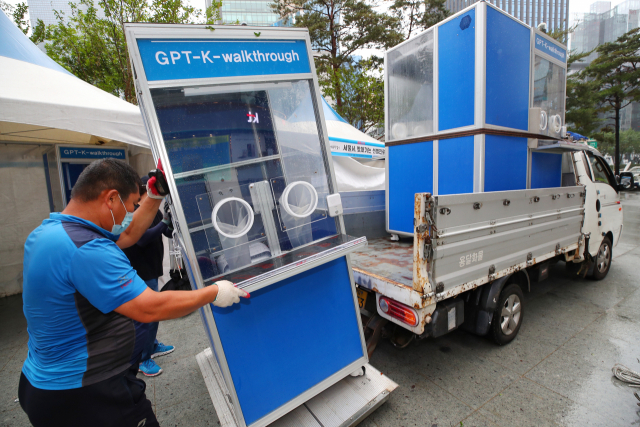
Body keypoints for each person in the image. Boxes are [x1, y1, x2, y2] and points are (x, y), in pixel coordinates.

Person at [19, 159, 248, 427]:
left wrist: (154, 196)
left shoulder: (50, 232)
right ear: (111, 198)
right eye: (129, 207)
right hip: (87, 393)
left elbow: (127, 234)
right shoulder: (87, 249)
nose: (131, 213)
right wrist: (213, 292)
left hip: (45, 385)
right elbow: (149, 307)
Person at [123, 176, 175, 377]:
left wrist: (171, 225)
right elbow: (143, 239)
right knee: (147, 316)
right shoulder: (136, 212)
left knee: (154, 317)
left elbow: (164, 232)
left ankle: (151, 346)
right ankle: (142, 359)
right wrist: (164, 223)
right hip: (140, 270)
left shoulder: (154, 210)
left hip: (152, 267)